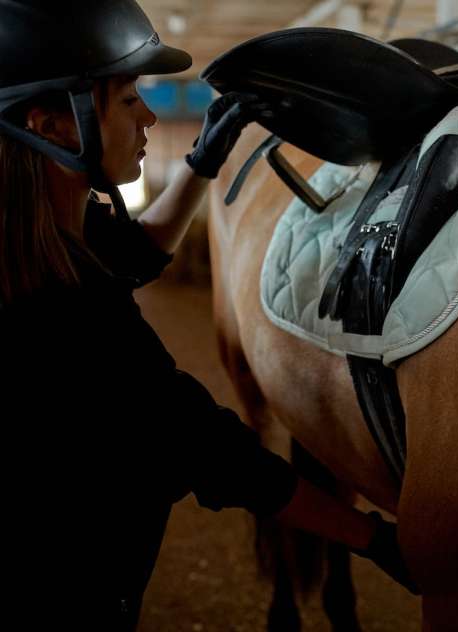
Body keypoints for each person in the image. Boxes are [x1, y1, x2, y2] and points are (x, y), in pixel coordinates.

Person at [0, 1, 416, 629]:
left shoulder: (38, 233)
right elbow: (210, 450)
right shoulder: (72, 317)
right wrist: (375, 540)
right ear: (52, 123)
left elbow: (133, 251)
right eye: (127, 100)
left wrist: (203, 161)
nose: (149, 114)